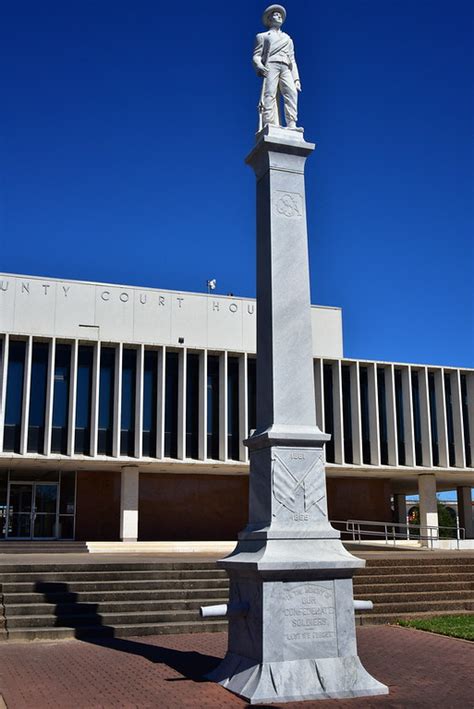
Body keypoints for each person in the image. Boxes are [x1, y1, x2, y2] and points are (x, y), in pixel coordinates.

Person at [252, 4, 301, 129]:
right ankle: (269, 123)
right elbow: (256, 55)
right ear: (269, 19)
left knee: (291, 93)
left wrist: (296, 79)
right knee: (269, 94)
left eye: (280, 15)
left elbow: (292, 60)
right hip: (271, 65)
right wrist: (259, 65)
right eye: (275, 14)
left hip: (286, 67)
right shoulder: (262, 36)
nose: (279, 16)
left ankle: (292, 123)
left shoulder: (288, 39)